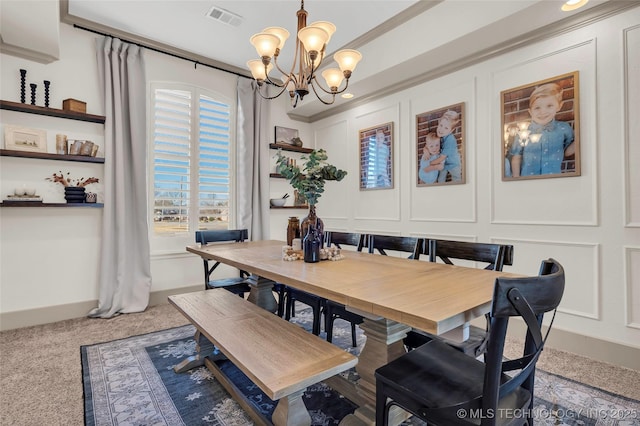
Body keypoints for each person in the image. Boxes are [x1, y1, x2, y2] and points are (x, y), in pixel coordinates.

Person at [510, 83, 575, 177]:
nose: (543, 112)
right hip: (528, 180)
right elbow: (517, 157)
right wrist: (516, 179)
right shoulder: (523, 132)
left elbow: (567, 152)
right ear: (530, 111)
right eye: (537, 108)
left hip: (554, 179)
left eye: (549, 106)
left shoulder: (564, 128)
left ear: (559, 106)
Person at [436, 110, 462, 183]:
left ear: (451, 130)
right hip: (444, 163)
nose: (441, 129)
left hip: (453, 163)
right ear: (439, 123)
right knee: (440, 180)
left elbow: (442, 157)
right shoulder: (439, 135)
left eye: (446, 128)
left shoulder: (450, 140)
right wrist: (426, 151)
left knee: (456, 179)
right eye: (441, 125)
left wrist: (431, 164)